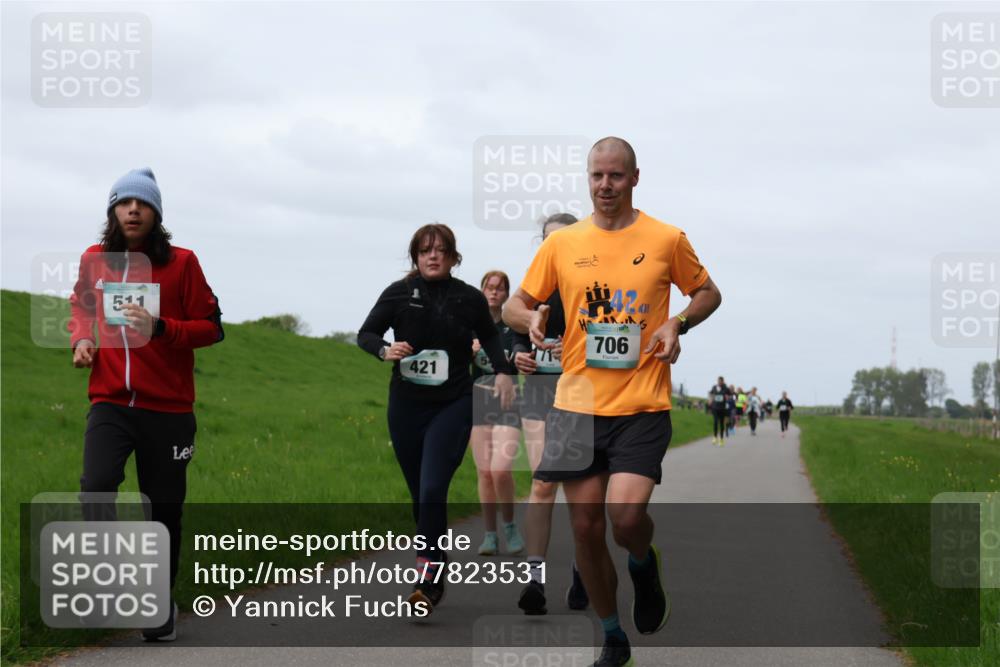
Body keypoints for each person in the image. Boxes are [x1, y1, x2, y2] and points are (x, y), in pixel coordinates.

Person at [503, 138, 722, 667]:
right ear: (588, 179)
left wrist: (677, 321)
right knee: (583, 527)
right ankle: (611, 635)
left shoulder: (667, 239)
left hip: (643, 403)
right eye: (597, 176)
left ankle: (644, 564)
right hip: (577, 405)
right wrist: (528, 319)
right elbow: (516, 303)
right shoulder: (563, 245)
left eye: (616, 176)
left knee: (625, 518)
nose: (605, 186)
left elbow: (708, 292)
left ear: (635, 178)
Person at [69, 168, 224, 642]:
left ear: (156, 214)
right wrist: (81, 339)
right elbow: (81, 306)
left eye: (143, 203)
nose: (133, 210)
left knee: (163, 512)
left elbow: (212, 327)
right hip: (111, 402)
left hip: (169, 411)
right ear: (113, 212)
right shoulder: (95, 260)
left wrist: (163, 328)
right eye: (124, 203)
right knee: (96, 487)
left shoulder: (182, 263)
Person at [357, 224, 515, 612]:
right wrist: (384, 350)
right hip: (407, 406)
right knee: (420, 496)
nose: (433, 256)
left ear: (453, 257)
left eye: (441, 250)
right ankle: (435, 562)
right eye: (425, 250)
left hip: (455, 402)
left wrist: (503, 373)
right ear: (415, 256)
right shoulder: (398, 293)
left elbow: (491, 336)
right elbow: (366, 333)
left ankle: (427, 578)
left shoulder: (469, 298)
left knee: (432, 490)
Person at [511, 213, 590, 616]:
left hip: (583, 397)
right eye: (547, 241)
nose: (554, 247)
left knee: (580, 493)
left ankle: (582, 571)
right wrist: (518, 355)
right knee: (542, 484)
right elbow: (508, 332)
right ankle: (535, 580)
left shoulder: (592, 285)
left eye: (562, 239)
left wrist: (579, 350)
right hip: (541, 394)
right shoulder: (532, 289)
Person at [470, 270, 525, 556]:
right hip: (478, 402)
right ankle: (489, 535)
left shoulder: (512, 326)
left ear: (506, 294)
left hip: (508, 402)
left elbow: (522, 353)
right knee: (484, 472)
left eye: (500, 288)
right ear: (481, 291)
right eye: (489, 287)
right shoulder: (470, 326)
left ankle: (510, 526)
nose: (494, 292)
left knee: (500, 469)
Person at [708, 376, 729, 446]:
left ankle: (721, 439)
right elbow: (710, 393)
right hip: (715, 408)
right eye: (718, 381)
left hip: (722, 408)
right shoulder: (714, 387)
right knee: (715, 422)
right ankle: (715, 437)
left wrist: (728, 397)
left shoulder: (725, 388)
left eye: (720, 381)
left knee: (722, 424)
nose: (719, 382)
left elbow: (731, 394)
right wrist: (710, 399)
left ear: (723, 381)